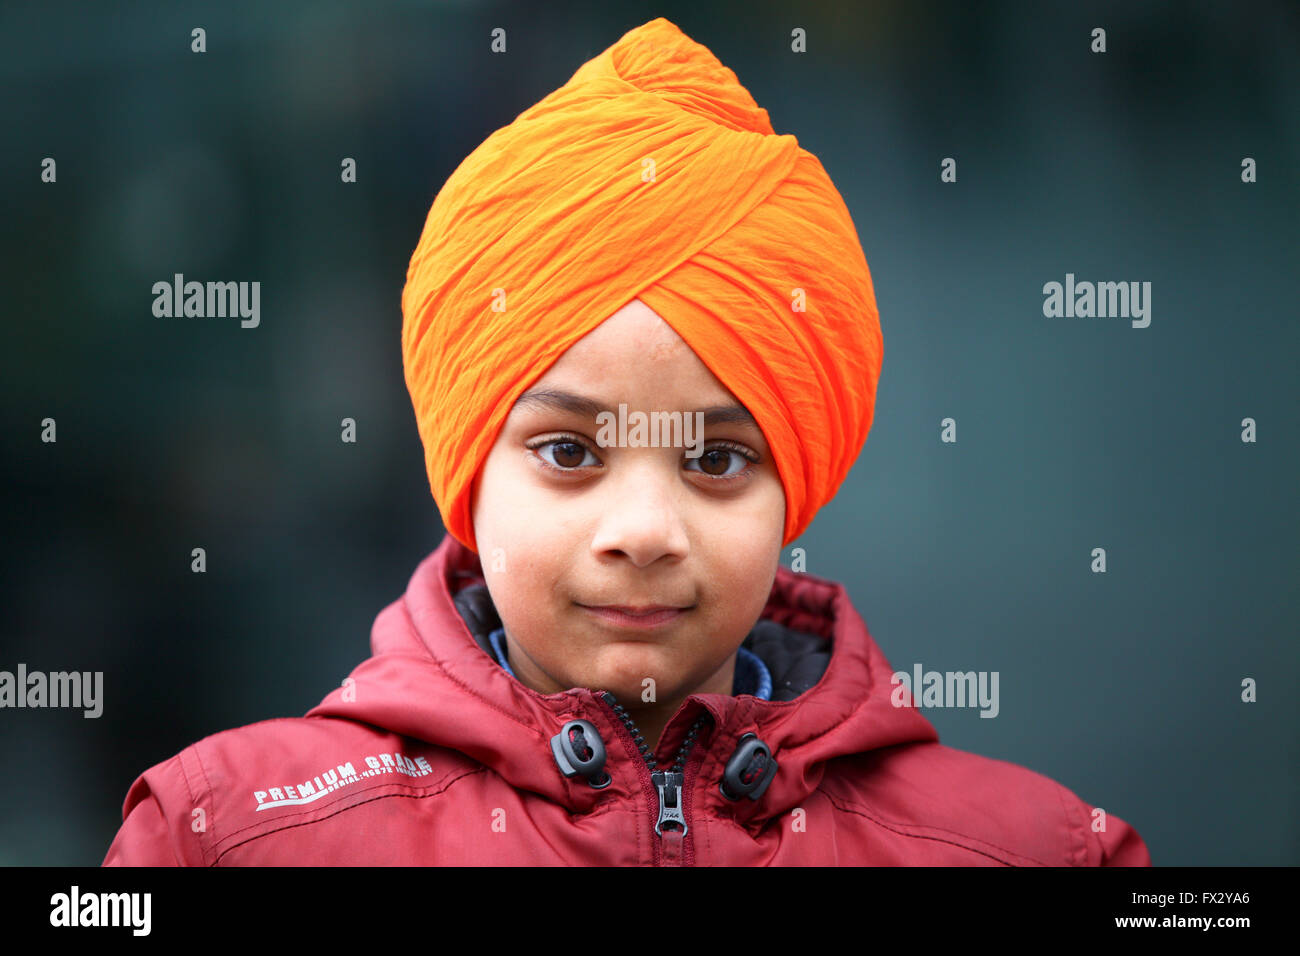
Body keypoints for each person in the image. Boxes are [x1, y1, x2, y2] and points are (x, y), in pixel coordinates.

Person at [103, 17, 1151, 866]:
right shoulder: (226, 834)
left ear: (797, 483)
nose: (643, 530)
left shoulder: (1030, 849)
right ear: (468, 473)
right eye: (568, 453)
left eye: (715, 460)